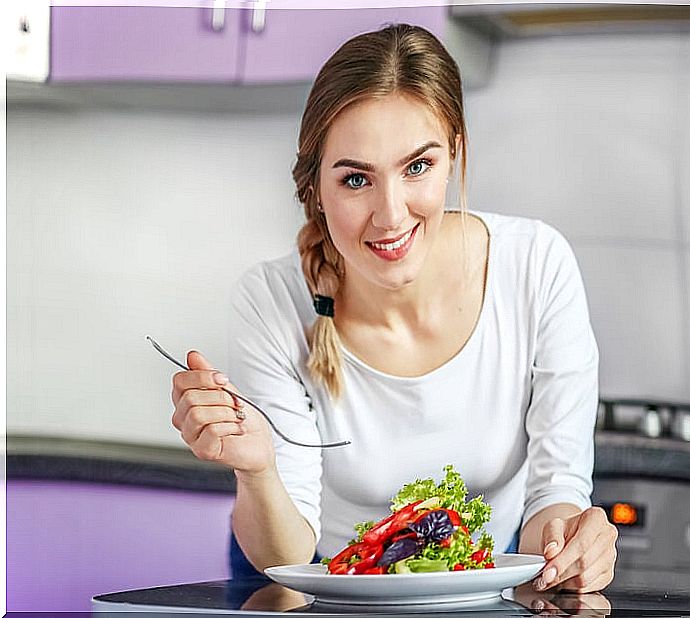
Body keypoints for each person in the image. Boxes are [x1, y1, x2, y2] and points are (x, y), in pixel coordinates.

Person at [170, 23, 617, 595]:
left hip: (481, 585)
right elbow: (286, 555)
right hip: (319, 587)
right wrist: (256, 470)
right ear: (315, 188)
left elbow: (554, 492)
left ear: (455, 152)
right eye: (356, 179)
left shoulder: (536, 266)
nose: (390, 214)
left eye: (417, 167)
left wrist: (569, 546)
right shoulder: (272, 301)